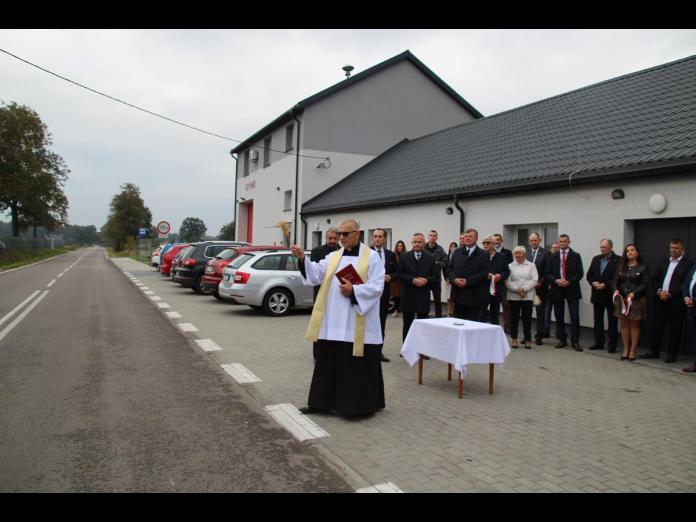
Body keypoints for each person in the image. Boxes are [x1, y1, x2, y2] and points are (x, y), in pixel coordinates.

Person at [291, 218, 385, 417]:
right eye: (339, 234)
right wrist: (302, 259)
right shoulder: (334, 256)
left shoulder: (372, 257)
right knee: (326, 364)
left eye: (345, 234)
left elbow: (377, 287)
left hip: (356, 321)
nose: (341, 238)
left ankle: (356, 407)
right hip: (332, 322)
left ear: (357, 234)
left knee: (354, 368)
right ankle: (320, 403)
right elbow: (315, 274)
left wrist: (354, 290)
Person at [640, 238, 694, 363]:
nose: (673, 250)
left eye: (676, 248)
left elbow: (685, 283)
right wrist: (659, 292)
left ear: (682, 250)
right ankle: (654, 351)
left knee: (675, 329)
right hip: (660, 301)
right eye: (671, 248)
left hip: (675, 303)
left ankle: (671, 354)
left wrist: (671, 293)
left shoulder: (688, 264)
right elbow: (654, 279)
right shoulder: (663, 262)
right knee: (656, 327)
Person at [396, 233, 439, 352]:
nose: (417, 244)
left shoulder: (430, 258)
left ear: (424, 243)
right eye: (415, 242)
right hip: (408, 295)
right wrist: (413, 280)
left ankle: (422, 350)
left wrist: (426, 280)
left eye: (419, 242)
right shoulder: (404, 257)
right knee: (408, 323)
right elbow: (399, 274)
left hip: (423, 295)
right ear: (411, 243)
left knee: (422, 324)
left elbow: (435, 276)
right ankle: (407, 348)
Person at [546, 234, 584, 351]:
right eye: (561, 241)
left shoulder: (576, 256)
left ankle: (575, 341)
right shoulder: (553, 256)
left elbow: (580, 273)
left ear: (569, 242)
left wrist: (569, 282)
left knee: (574, 315)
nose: (562, 243)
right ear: (558, 242)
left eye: (565, 241)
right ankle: (562, 339)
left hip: (571, 289)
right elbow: (548, 273)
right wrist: (556, 280)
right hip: (557, 289)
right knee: (559, 315)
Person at [611, 244, 649, 361]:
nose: (629, 252)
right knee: (623, 325)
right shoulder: (621, 267)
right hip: (622, 300)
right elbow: (614, 282)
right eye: (627, 251)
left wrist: (634, 293)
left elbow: (644, 284)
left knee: (634, 325)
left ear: (637, 253)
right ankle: (625, 349)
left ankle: (633, 350)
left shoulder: (642, 267)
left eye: (632, 250)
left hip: (635, 300)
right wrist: (615, 290)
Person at [586, 239, 621, 353]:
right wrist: (593, 282)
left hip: (610, 295)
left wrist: (605, 284)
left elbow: (618, 278)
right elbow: (589, 275)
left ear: (610, 247)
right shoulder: (596, 259)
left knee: (612, 321)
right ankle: (599, 342)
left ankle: (612, 344)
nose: (602, 249)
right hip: (597, 294)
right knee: (598, 320)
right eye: (601, 247)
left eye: (604, 247)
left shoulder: (618, 260)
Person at [448, 228, 487, 322]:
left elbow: (484, 273)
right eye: (466, 236)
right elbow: (449, 269)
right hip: (458, 294)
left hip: (474, 296)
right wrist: (454, 279)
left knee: (473, 325)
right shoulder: (457, 252)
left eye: (470, 236)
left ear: (476, 238)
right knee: (457, 323)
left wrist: (468, 281)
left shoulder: (483, 254)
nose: (467, 238)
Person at [371, 228, 397, 363]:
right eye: (375, 236)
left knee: (381, 323)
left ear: (385, 239)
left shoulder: (391, 255)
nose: (377, 239)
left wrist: (391, 276)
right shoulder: (366, 253)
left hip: (384, 294)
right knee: (368, 322)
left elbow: (397, 272)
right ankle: (366, 351)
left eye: (380, 236)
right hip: (369, 295)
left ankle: (378, 351)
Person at [506, 246, 539, 349]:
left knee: (527, 318)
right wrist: (517, 289)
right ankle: (514, 339)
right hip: (514, 295)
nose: (518, 255)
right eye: (516, 253)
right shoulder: (510, 266)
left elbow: (535, 280)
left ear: (524, 254)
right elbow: (507, 281)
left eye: (520, 253)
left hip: (527, 296)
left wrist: (524, 289)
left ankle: (528, 339)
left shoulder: (531, 265)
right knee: (514, 318)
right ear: (514, 255)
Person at [526, 232, 551, 345]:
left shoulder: (546, 253)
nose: (533, 242)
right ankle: (527, 336)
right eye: (531, 241)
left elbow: (548, 271)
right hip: (527, 288)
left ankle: (539, 336)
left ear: (539, 240)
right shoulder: (526, 253)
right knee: (527, 312)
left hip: (540, 289)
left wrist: (540, 282)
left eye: (535, 240)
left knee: (540, 312)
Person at [480, 235, 510, 324]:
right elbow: (475, 271)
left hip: (496, 290)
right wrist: (485, 275)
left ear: (493, 244)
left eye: (487, 243)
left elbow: (507, 272)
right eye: (483, 243)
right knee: (481, 315)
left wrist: (500, 276)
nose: (485, 245)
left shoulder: (502, 256)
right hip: (482, 290)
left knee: (494, 316)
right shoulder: (479, 256)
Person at [310, 227, 340, 302]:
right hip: (321, 291)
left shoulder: (344, 251)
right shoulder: (316, 251)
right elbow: (313, 272)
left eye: (335, 238)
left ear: (338, 239)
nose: (332, 241)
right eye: (330, 238)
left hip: (338, 293)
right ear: (326, 238)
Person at [424, 230, 448, 318]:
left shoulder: (440, 249)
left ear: (437, 237)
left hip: (436, 279)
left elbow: (445, 262)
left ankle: (438, 318)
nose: (432, 237)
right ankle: (424, 317)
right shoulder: (423, 248)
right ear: (428, 237)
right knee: (425, 300)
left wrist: (437, 263)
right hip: (425, 279)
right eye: (430, 235)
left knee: (437, 301)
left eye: (434, 235)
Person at [494, 233, 514, 332]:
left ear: (501, 241)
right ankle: (495, 326)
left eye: (498, 240)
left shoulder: (507, 252)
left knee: (506, 305)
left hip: (503, 282)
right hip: (491, 283)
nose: (496, 242)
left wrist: (502, 276)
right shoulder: (488, 252)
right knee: (494, 305)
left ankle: (507, 327)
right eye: (495, 240)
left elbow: (509, 268)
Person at [543, 241, 560, 340]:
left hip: (558, 290)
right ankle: (546, 330)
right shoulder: (548, 258)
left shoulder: (560, 260)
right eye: (553, 247)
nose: (555, 249)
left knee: (558, 313)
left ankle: (559, 332)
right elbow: (546, 273)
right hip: (547, 290)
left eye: (557, 247)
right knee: (547, 311)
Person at [681, 262, 696, 372]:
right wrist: (686, 297)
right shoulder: (694, 266)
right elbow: (686, 283)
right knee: (694, 337)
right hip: (691, 308)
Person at [390, 240, 406, 317]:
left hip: (403, 278)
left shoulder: (406, 255)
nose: (400, 247)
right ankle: (396, 310)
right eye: (398, 246)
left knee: (403, 295)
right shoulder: (393, 255)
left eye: (401, 246)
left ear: (403, 247)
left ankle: (403, 310)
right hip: (396, 279)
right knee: (396, 296)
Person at [446, 241, 458, 317]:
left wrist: (453, 279)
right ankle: (448, 312)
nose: (453, 248)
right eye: (451, 246)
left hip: (454, 280)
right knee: (448, 297)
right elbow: (445, 268)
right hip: (447, 279)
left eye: (454, 246)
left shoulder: (457, 256)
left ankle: (453, 312)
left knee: (453, 297)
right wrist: (447, 278)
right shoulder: (447, 256)